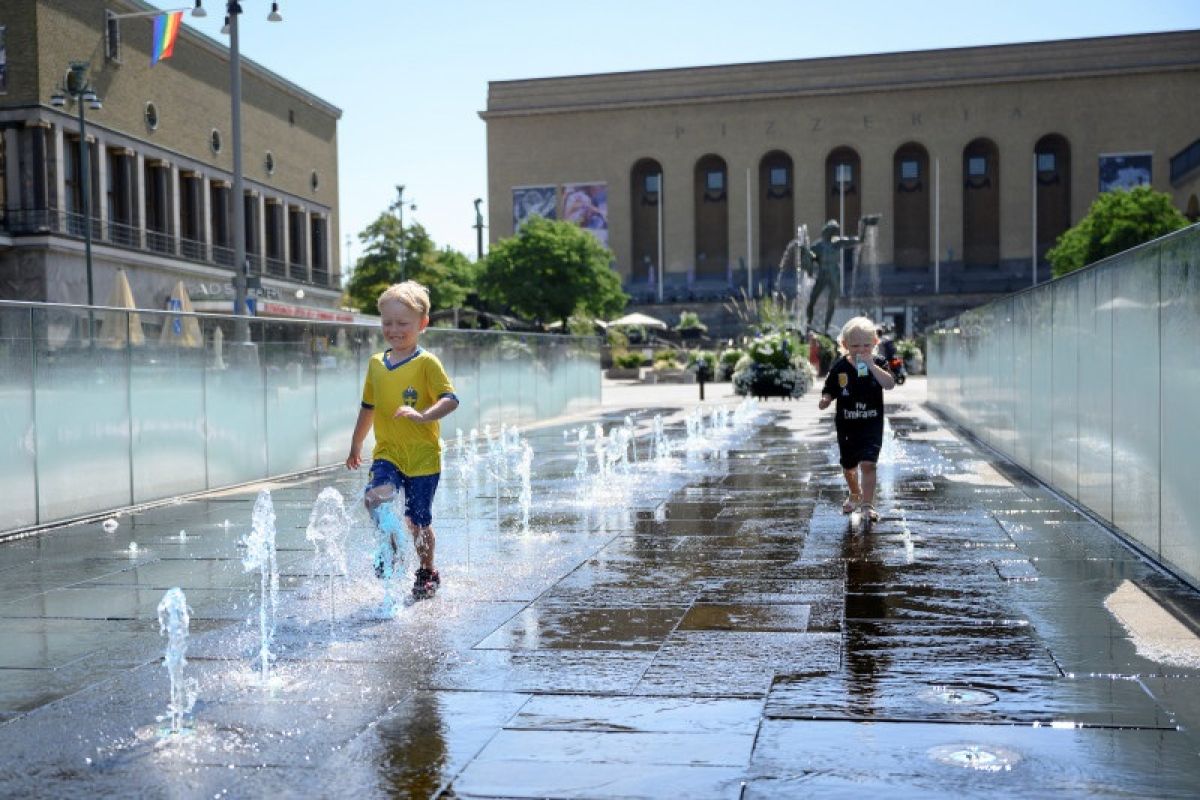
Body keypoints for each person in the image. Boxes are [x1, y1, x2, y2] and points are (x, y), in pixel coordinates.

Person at [346, 281, 459, 599]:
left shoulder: (427, 363)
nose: (394, 330)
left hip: (423, 455)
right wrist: (356, 444)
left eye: (402, 323)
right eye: (387, 323)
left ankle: (426, 570)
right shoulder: (376, 364)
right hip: (388, 452)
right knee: (374, 499)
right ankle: (391, 548)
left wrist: (425, 416)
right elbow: (368, 407)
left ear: (422, 324)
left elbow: (450, 399)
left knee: (418, 521)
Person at [818, 316, 895, 522]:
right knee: (849, 466)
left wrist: (871, 365)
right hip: (847, 425)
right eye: (855, 345)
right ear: (844, 345)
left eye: (866, 345)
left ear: (875, 343)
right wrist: (826, 398)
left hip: (871, 424)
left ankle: (868, 504)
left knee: (869, 464)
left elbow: (889, 384)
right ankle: (854, 493)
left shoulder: (878, 363)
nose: (861, 349)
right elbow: (830, 387)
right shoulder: (840, 367)